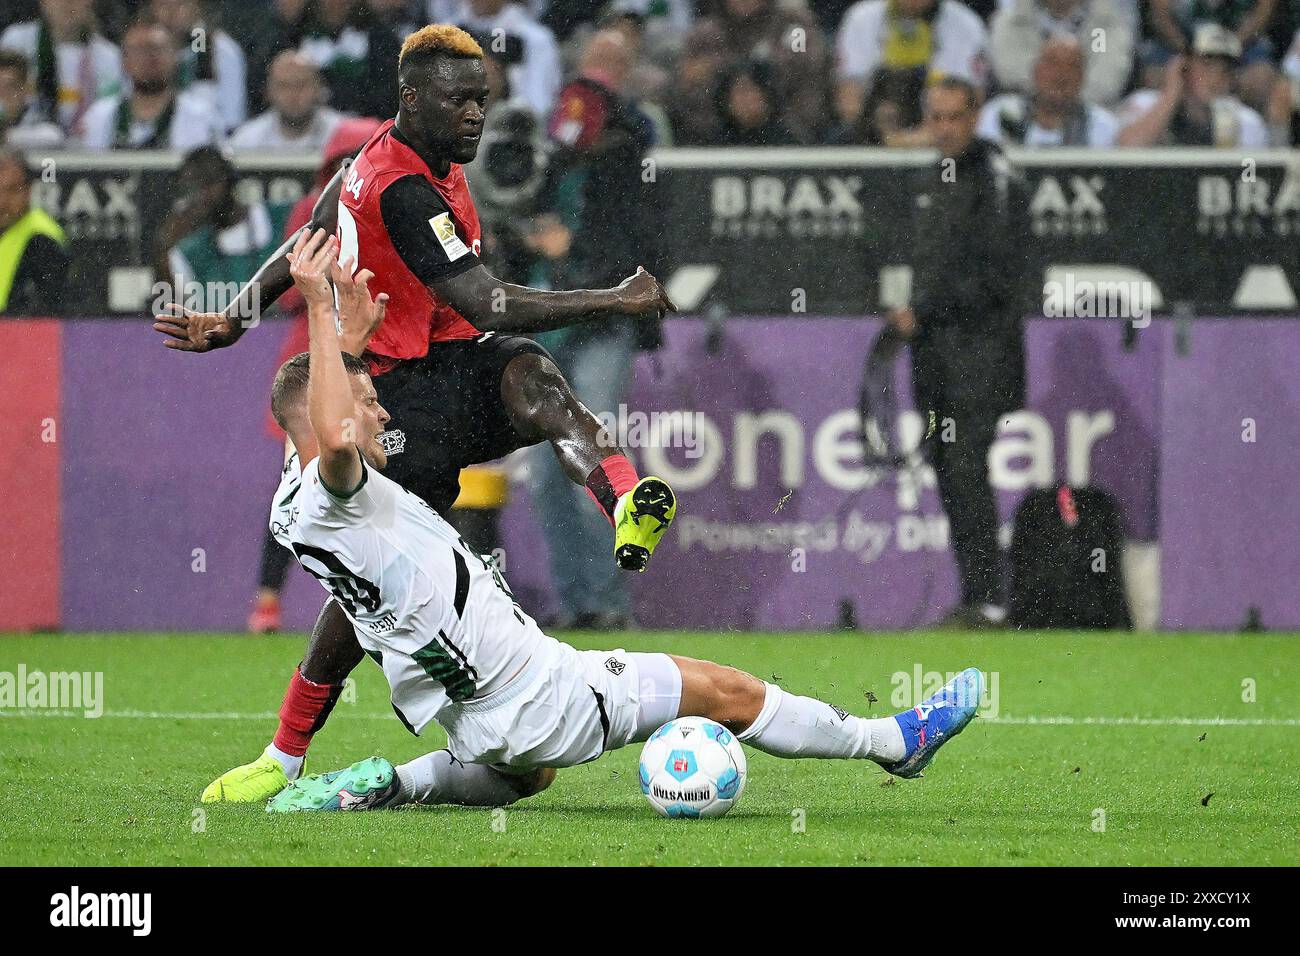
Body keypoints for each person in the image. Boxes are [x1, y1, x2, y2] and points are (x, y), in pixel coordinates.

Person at [257, 227, 984, 811]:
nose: (384, 413)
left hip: (470, 717)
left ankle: (396, 785)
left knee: (525, 777)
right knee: (728, 692)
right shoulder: (337, 486)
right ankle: (892, 740)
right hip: (539, 692)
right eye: (368, 404)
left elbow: (324, 418)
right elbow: (338, 429)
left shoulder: (295, 504)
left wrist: (349, 343)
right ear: (326, 430)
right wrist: (321, 311)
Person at [151, 25, 678, 802]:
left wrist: (235, 315)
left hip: (453, 364)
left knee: (537, 383)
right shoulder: (400, 188)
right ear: (411, 98)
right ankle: (286, 756)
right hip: (399, 397)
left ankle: (627, 499)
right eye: (458, 100)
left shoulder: (395, 161)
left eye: (483, 101)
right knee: (372, 588)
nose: (475, 116)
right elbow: (486, 298)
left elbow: (313, 232)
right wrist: (611, 295)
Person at [888, 77, 1029, 630]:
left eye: (954, 117)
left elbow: (1000, 278)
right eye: (936, 118)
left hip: (981, 356)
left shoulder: (996, 180)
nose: (944, 128)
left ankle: (990, 599)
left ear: (975, 119)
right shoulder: (932, 180)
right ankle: (978, 594)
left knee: (967, 468)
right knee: (949, 470)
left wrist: (924, 308)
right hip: (936, 358)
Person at [77, 18, 224, 151]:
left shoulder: (202, 117)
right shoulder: (99, 117)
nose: (149, 58)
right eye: (139, 51)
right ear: (124, 61)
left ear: (175, 57)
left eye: (157, 49)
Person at [1116, 24, 1268, 148]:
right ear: (1184, 65)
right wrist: (1171, 93)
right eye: (1207, 65)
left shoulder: (1247, 122)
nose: (1215, 78)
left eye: (1225, 70)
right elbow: (1125, 147)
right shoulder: (1145, 102)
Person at [0, 0, 123, 136]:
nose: (67, 3)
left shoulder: (109, 57)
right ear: (43, 3)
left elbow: (113, 109)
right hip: (21, 138)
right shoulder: (16, 41)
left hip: (86, 147)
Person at [978, 36, 1119, 148]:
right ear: (1035, 71)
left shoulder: (1102, 125)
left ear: (1082, 78)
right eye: (1052, 64)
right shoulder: (999, 113)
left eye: (1071, 66)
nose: (1061, 75)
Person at [989, 0, 1134, 106]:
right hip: (1026, 109)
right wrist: (1053, 96)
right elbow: (1012, 73)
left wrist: (1064, 100)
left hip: (1091, 111)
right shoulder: (1013, 21)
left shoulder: (1103, 27)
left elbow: (1105, 79)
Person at [226, 51, 345, 153]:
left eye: (301, 84)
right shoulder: (245, 142)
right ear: (269, 91)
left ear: (318, 88)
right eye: (284, 85)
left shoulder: (344, 134)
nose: (293, 94)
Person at [0, 148, 68, 315]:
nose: (2, 200)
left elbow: (46, 310)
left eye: (12, 190)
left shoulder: (43, 239)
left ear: (28, 191)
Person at [0, 49, 64, 149]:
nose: (2, 95)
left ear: (24, 90)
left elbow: (55, 136)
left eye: (9, 86)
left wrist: (6, 136)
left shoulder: (37, 114)